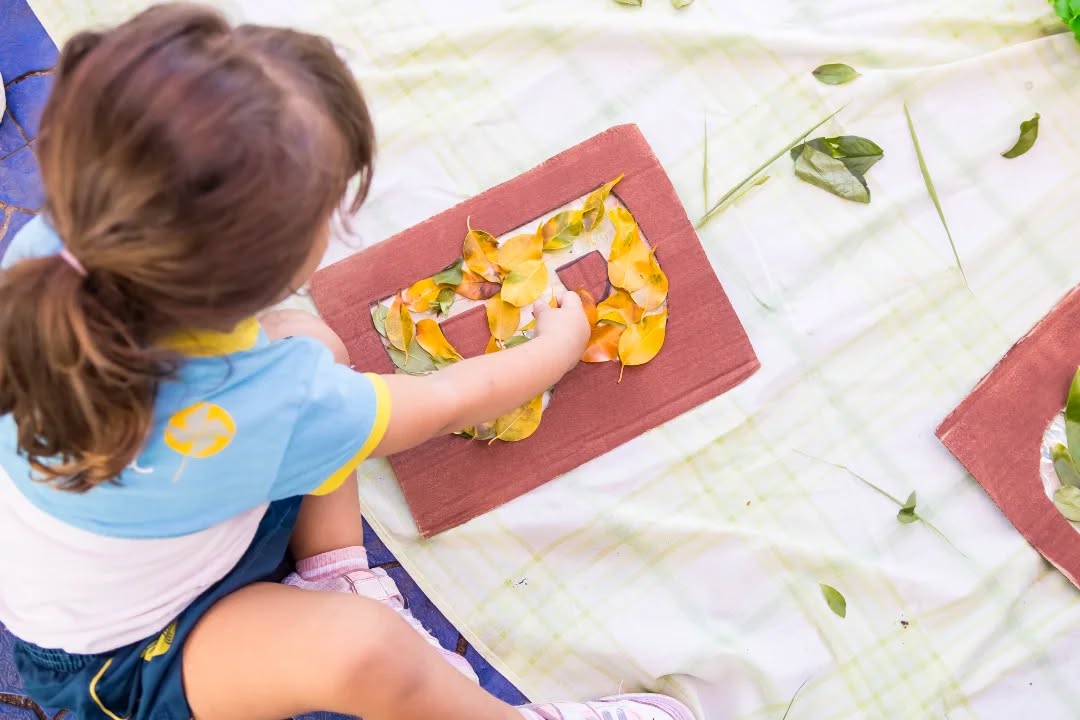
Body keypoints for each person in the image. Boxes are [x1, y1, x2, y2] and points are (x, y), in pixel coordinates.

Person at [0, 4, 696, 720]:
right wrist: (556, 349)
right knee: (366, 653)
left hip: (125, 554)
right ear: (265, 272)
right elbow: (450, 399)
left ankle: (333, 574)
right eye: (328, 212)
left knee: (312, 347)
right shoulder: (278, 404)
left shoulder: (56, 256)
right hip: (128, 666)